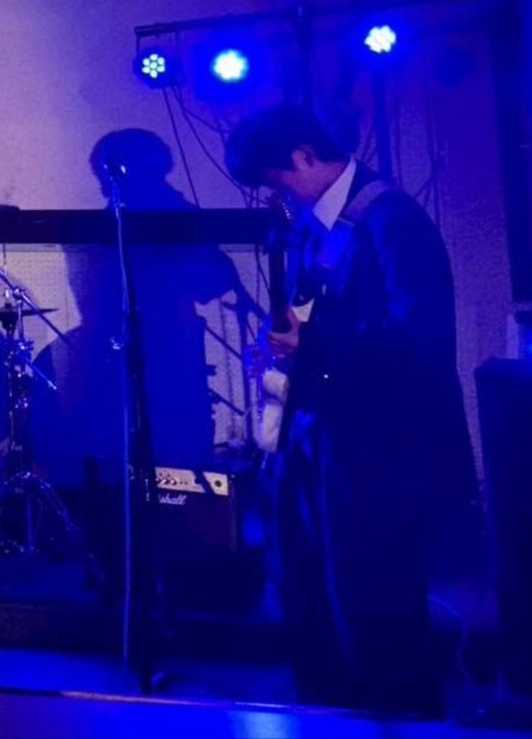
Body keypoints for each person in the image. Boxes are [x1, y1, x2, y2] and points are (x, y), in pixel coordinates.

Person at [225, 105, 477, 715]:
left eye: (279, 181)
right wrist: (288, 344)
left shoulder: (392, 220)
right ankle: (331, 711)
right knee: (308, 584)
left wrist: (312, 343)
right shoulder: (322, 224)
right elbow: (323, 316)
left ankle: (395, 716)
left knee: (374, 601)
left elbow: (421, 341)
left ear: (305, 156)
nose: (279, 197)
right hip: (324, 436)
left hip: (380, 448)